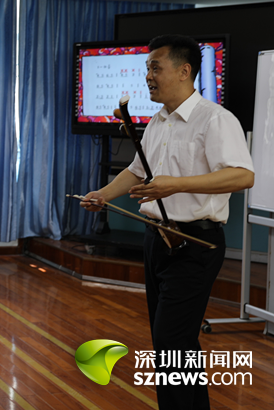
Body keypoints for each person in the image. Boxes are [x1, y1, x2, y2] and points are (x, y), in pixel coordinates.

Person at [81, 34, 254, 410]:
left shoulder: (216, 119)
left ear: (184, 71)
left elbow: (242, 175)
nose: (148, 76)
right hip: (157, 240)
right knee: (179, 343)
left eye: (155, 67)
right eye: (147, 68)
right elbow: (137, 169)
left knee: (170, 342)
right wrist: (103, 195)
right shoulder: (158, 121)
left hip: (195, 244)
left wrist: (175, 185)